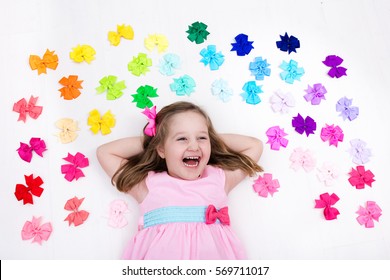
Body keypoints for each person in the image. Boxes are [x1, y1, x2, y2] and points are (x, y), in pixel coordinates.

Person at [96, 101, 263, 259]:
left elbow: (254, 146)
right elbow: (105, 152)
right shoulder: (147, 185)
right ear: (161, 149)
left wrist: (211, 139)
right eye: (182, 139)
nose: (194, 146)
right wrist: (154, 139)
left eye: (202, 138)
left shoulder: (219, 178)